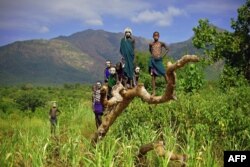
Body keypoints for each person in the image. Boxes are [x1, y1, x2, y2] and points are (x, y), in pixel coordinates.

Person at [148, 31, 169, 96]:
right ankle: (154, 92)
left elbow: (167, 49)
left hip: (159, 61)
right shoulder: (151, 44)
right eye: (154, 35)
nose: (156, 36)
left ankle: (170, 89)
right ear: (153, 36)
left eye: (157, 35)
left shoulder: (161, 43)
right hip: (153, 61)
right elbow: (150, 50)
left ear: (159, 36)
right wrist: (153, 56)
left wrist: (162, 56)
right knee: (153, 76)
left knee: (164, 73)